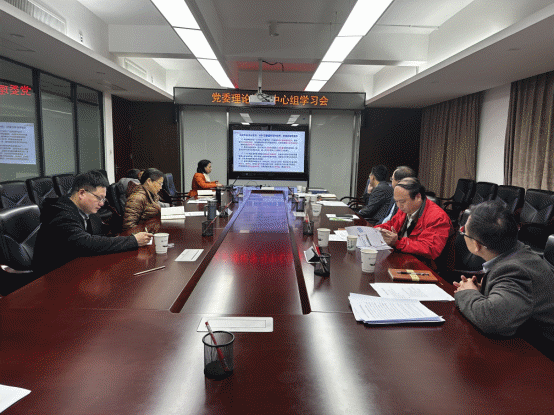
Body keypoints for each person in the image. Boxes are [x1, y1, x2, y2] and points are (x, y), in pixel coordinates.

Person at [454, 201, 554, 347]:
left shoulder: (514, 270)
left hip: (540, 350)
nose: (462, 232)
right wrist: (485, 291)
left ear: (476, 245)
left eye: (463, 231)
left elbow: (492, 320)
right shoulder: (519, 251)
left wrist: (468, 292)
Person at [33, 170, 152, 276]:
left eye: (103, 198)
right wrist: (133, 241)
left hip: (77, 268)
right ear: (82, 193)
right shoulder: (60, 214)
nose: (102, 203)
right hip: (53, 277)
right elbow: (86, 242)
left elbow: (99, 236)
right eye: (99, 198)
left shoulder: (88, 211)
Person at [374, 177, 452, 263]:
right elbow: (392, 224)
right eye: (396, 201)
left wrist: (397, 242)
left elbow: (429, 248)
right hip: (403, 256)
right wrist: (377, 231)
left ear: (418, 197)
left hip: (423, 264)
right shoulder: (406, 208)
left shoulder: (438, 217)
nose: (399, 206)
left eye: (402, 202)